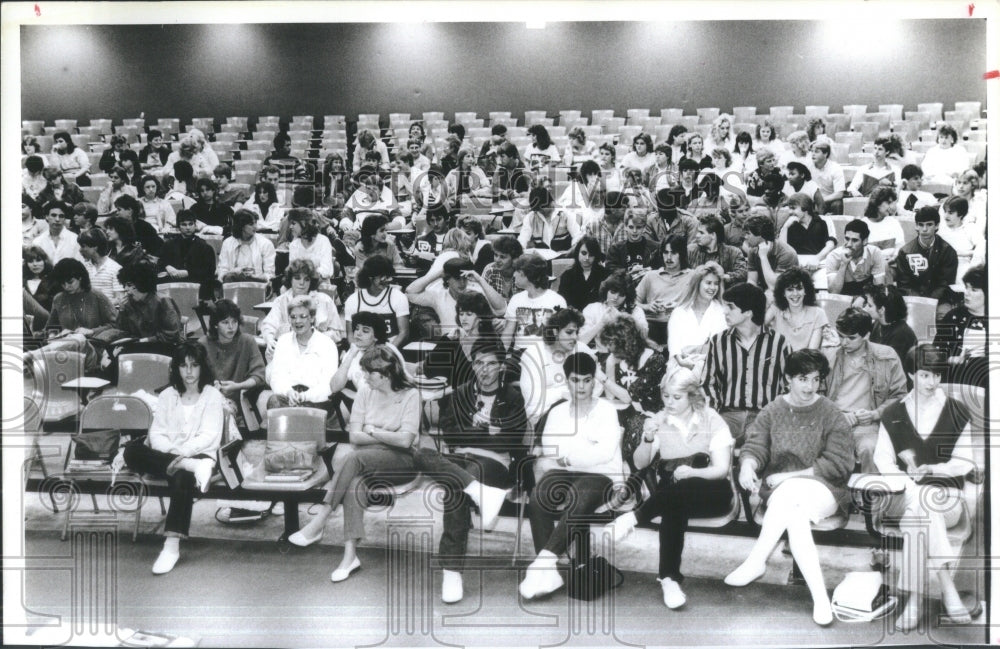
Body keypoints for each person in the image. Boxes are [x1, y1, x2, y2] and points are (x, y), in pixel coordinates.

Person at [725, 349, 853, 626]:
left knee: (789, 492)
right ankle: (820, 598)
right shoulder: (773, 411)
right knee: (794, 513)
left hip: (825, 489)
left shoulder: (831, 413)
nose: (810, 387)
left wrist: (787, 477)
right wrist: (747, 465)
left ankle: (757, 560)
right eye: (803, 379)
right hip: (786, 497)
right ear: (787, 379)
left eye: (816, 379)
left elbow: (840, 464)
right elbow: (755, 446)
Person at [286, 346, 422, 584]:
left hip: (403, 460)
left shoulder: (410, 394)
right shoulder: (365, 392)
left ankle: (321, 519)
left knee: (352, 458)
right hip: (367, 460)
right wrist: (385, 433)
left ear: (386, 373)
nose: (365, 378)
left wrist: (372, 431)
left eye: (370, 373)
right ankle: (349, 558)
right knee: (354, 483)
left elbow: (406, 441)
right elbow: (354, 438)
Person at [605, 367, 734, 609]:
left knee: (681, 489)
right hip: (674, 496)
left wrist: (693, 472)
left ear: (692, 395)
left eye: (677, 397)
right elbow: (640, 464)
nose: (669, 402)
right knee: (674, 505)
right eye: (666, 396)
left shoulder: (712, 418)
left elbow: (720, 469)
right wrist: (648, 439)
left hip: (712, 492)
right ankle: (669, 580)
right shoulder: (658, 421)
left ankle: (633, 518)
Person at [872, 343, 980, 631]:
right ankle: (947, 588)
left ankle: (916, 600)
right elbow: (883, 460)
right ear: (910, 375)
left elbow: (965, 461)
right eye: (924, 375)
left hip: (949, 499)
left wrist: (933, 469)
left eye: (936, 375)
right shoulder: (893, 412)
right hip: (904, 495)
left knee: (922, 509)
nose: (932, 382)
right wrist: (908, 484)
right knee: (921, 504)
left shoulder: (957, 411)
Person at [410, 340, 527, 602]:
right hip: (459, 458)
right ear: (472, 365)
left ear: (501, 366)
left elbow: (511, 440)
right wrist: (487, 430)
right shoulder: (461, 392)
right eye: (479, 363)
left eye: (491, 364)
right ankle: (479, 492)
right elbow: (450, 433)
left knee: (454, 488)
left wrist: (473, 433)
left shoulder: (512, 396)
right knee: (421, 454)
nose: (484, 370)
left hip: (495, 463)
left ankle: (451, 572)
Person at [519, 352, 623, 599]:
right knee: (539, 496)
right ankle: (550, 572)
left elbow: (605, 453)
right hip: (564, 471)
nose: (582, 386)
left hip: (602, 475)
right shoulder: (557, 412)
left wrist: (569, 455)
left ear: (593, 381)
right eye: (576, 380)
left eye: (587, 380)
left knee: (579, 493)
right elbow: (553, 448)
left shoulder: (606, 410)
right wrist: (579, 452)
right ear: (567, 381)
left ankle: (543, 562)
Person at [121, 342, 227, 574]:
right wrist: (179, 457)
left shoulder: (212, 395)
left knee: (182, 479)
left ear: (202, 368)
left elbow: (211, 436)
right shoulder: (168, 394)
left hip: (202, 454)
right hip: (179, 457)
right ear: (176, 369)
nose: (189, 372)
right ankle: (191, 467)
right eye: (183, 366)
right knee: (131, 450)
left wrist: (180, 452)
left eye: (194, 365)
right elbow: (156, 433)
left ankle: (171, 547)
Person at [823, 307, 908, 473]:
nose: (844, 342)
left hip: (868, 423)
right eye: (841, 336)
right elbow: (816, 396)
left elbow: (900, 396)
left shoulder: (887, 356)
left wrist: (876, 414)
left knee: (871, 449)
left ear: (867, 335)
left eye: (851, 338)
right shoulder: (829, 356)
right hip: (834, 420)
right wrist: (836, 415)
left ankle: (871, 494)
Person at [703, 282, 790, 441]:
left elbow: (788, 385)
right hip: (727, 415)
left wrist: (775, 416)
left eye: (730, 307)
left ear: (748, 312)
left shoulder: (779, 343)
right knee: (705, 442)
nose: (725, 311)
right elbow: (708, 382)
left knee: (757, 450)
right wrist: (713, 416)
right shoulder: (718, 341)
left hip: (763, 416)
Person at [599, 315, 667, 465]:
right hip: (625, 412)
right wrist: (610, 365)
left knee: (635, 427)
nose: (610, 348)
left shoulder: (655, 360)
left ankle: (633, 474)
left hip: (650, 414)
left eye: (613, 343)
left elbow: (628, 396)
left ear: (627, 343)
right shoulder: (617, 358)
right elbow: (611, 396)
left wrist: (601, 376)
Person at [259, 294, 340, 416]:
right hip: (288, 395)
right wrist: (288, 392)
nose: (297, 321)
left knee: (300, 413)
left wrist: (305, 396)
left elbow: (328, 384)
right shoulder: (283, 341)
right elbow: (277, 377)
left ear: (312, 318)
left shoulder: (327, 344)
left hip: (316, 399)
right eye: (293, 317)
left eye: (303, 316)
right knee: (274, 401)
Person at [519, 307, 599, 429]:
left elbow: (597, 383)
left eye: (576, 333)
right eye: (569, 332)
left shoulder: (581, 349)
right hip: (543, 421)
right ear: (555, 331)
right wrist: (563, 393)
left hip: (581, 413)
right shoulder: (534, 353)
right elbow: (532, 402)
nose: (575, 338)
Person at [35, 258, 118, 371]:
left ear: (80, 278)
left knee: (79, 339)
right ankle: (35, 357)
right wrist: (55, 335)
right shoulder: (59, 299)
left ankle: (33, 356)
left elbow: (116, 326)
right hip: (65, 353)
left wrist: (92, 331)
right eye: (62, 283)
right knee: (74, 339)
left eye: (70, 282)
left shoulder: (97, 296)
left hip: (93, 353)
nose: (66, 287)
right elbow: (50, 328)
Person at [198, 299, 266, 427]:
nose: (231, 327)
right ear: (215, 325)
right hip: (208, 399)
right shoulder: (203, 344)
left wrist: (238, 386)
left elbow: (259, 376)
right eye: (225, 322)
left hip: (239, 402)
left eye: (234, 321)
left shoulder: (248, 341)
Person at [260, 259, 344, 361]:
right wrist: (269, 340)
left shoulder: (325, 300)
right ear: (290, 280)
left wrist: (315, 337)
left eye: (306, 279)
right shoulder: (281, 301)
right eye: (297, 278)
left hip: (318, 353)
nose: (302, 283)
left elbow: (337, 333)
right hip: (288, 353)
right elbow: (268, 325)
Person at [408, 257, 507, 339]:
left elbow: (501, 309)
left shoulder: (476, 294)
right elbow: (410, 292)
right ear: (447, 279)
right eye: (457, 278)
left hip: (476, 345)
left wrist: (480, 280)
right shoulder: (438, 296)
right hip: (450, 345)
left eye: (464, 278)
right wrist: (439, 273)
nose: (462, 283)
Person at [421, 291, 502, 388]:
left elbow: (487, 377)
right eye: (461, 314)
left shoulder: (491, 341)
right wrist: (446, 341)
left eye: (469, 314)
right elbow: (429, 371)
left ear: (481, 317)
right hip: (452, 397)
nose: (463, 318)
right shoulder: (452, 339)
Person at [108, 262, 185, 354]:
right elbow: (123, 331)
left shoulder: (163, 301)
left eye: (129, 285)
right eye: (124, 285)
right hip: (138, 346)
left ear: (141, 283)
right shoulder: (128, 303)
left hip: (163, 347)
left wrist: (147, 340)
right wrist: (122, 311)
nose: (126, 289)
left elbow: (172, 335)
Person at [666, 261, 727, 374]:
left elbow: (720, 347)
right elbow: (674, 345)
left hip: (711, 366)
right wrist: (682, 361)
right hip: (680, 366)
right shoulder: (679, 312)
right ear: (697, 283)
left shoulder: (722, 312)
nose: (713, 288)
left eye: (716, 283)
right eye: (708, 283)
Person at [892, 206, 958, 307]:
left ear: (937, 226)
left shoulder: (948, 251)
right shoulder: (905, 252)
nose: (924, 229)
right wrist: (919, 301)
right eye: (921, 225)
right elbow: (904, 284)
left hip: (940, 300)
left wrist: (928, 302)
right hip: (913, 300)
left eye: (929, 225)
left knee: (944, 316)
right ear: (916, 226)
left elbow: (945, 284)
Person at [934, 265, 987, 388]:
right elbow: (935, 354)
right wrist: (951, 360)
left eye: (974, 290)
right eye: (966, 288)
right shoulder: (953, 317)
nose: (967, 293)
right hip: (954, 380)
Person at [502, 254, 567, 352]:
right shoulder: (516, 299)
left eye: (518, 271)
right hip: (520, 355)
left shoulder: (557, 300)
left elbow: (562, 336)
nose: (514, 274)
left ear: (529, 275)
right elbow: (507, 336)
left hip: (546, 354)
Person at [635, 234, 692, 345]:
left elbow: (701, 304)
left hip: (680, 324)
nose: (669, 258)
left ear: (682, 254)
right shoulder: (650, 276)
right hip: (652, 324)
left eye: (674, 253)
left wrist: (679, 307)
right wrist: (647, 306)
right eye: (666, 253)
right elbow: (631, 301)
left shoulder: (693, 276)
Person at [344, 255, 410, 348]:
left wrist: (386, 352)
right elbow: (350, 335)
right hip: (362, 349)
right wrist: (357, 351)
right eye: (383, 277)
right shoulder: (353, 300)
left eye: (389, 276)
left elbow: (404, 333)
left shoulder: (398, 297)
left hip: (389, 349)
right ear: (370, 277)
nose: (388, 280)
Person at [156, 209, 217, 301]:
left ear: (195, 225)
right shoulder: (169, 245)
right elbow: (160, 262)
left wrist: (188, 273)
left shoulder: (205, 247)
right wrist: (167, 267)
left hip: (196, 284)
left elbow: (209, 271)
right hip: (172, 282)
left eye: (190, 224)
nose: (188, 227)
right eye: (184, 224)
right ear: (178, 227)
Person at [764, 268, 828, 351]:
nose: (795, 294)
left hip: (805, 361)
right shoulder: (775, 309)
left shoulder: (818, 313)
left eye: (799, 289)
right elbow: (757, 327)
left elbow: (811, 352)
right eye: (790, 289)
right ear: (783, 293)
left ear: (806, 290)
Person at [580, 271, 648, 346]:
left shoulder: (636, 310)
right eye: (613, 292)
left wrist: (622, 319)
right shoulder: (592, 308)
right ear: (606, 291)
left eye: (621, 294)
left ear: (627, 296)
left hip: (626, 354)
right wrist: (601, 323)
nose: (616, 297)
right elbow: (581, 341)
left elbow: (644, 337)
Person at [854, 284, 918, 364]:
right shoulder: (879, 323)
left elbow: (887, 367)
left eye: (869, 305)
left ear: (881, 310)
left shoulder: (902, 335)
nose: (865, 308)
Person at [824, 219, 888, 296]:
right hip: (843, 296)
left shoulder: (875, 253)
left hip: (867, 296)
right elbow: (833, 292)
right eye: (847, 239)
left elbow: (879, 288)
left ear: (865, 241)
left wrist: (863, 298)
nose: (849, 244)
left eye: (854, 240)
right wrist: (843, 264)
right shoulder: (833, 256)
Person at [514, 185, 581, 252]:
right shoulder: (530, 217)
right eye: (538, 210)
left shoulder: (566, 215)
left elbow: (577, 237)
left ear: (551, 203)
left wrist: (571, 251)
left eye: (542, 209)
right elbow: (523, 239)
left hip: (563, 258)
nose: (540, 212)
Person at [216, 209, 277, 283]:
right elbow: (222, 271)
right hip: (232, 286)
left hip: (259, 287)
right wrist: (233, 273)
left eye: (255, 223)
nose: (255, 227)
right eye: (251, 224)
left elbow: (270, 275)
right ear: (241, 226)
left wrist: (255, 278)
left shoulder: (266, 244)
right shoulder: (227, 243)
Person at [686, 214, 747, 285]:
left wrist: (721, 277)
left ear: (713, 235)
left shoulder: (733, 252)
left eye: (701, 233)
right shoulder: (690, 250)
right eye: (697, 232)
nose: (697, 235)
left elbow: (743, 273)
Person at [743, 214, 798, 292]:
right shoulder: (753, 250)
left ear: (760, 235)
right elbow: (752, 281)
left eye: (748, 233)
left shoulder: (787, 253)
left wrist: (763, 257)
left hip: (786, 292)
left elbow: (774, 286)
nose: (745, 237)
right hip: (765, 292)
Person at [778, 193, 836, 266]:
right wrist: (785, 227)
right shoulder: (787, 224)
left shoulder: (822, 221)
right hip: (796, 264)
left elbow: (830, 245)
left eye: (793, 208)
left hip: (819, 262)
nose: (790, 212)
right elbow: (782, 250)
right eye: (789, 208)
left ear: (805, 209)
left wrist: (817, 259)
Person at [606, 209, 661, 281]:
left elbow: (661, 269)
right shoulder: (615, 249)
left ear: (644, 228)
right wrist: (628, 272)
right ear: (625, 227)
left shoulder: (656, 248)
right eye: (631, 227)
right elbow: (610, 270)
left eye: (638, 227)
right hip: (624, 288)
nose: (634, 231)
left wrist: (648, 271)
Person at [557, 236, 608, 312]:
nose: (587, 258)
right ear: (577, 252)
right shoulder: (568, 275)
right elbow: (562, 301)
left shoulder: (604, 274)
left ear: (596, 256)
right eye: (584, 253)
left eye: (591, 255)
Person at [78, 228, 124, 304]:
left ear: (95, 247)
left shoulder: (115, 268)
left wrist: (100, 307)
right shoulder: (83, 267)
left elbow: (119, 299)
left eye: (83, 246)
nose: (80, 250)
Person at [860, 186, 905, 255]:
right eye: (888, 202)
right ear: (877, 203)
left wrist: (894, 257)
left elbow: (900, 247)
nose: (891, 207)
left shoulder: (894, 223)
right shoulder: (861, 224)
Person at [808, 142, 845, 213]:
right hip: (812, 200)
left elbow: (839, 194)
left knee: (837, 204)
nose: (813, 154)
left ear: (825, 154)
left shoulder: (835, 168)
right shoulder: (808, 166)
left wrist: (820, 200)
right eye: (812, 151)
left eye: (816, 152)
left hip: (829, 200)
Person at [481, 235, 522, 301]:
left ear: (514, 258)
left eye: (502, 257)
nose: (497, 260)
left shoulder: (522, 272)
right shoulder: (490, 270)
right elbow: (483, 298)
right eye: (496, 255)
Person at [23, 245, 59, 313]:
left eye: (38, 260)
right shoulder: (22, 282)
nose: (35, 264)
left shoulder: (53, 282)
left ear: (45, 261)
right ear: (26, 264)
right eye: (31, 261)